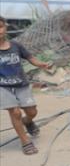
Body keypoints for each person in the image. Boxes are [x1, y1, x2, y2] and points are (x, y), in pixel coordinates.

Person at [0, 17, 52, 156]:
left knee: (32, 112)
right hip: (2, 87)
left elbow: (30, 58)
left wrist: (41, 64)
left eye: (0, 27)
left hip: (21, 84)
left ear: (5, 28)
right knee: (15, 112)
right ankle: (25, 142)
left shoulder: (16, 46)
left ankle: (27, 121)